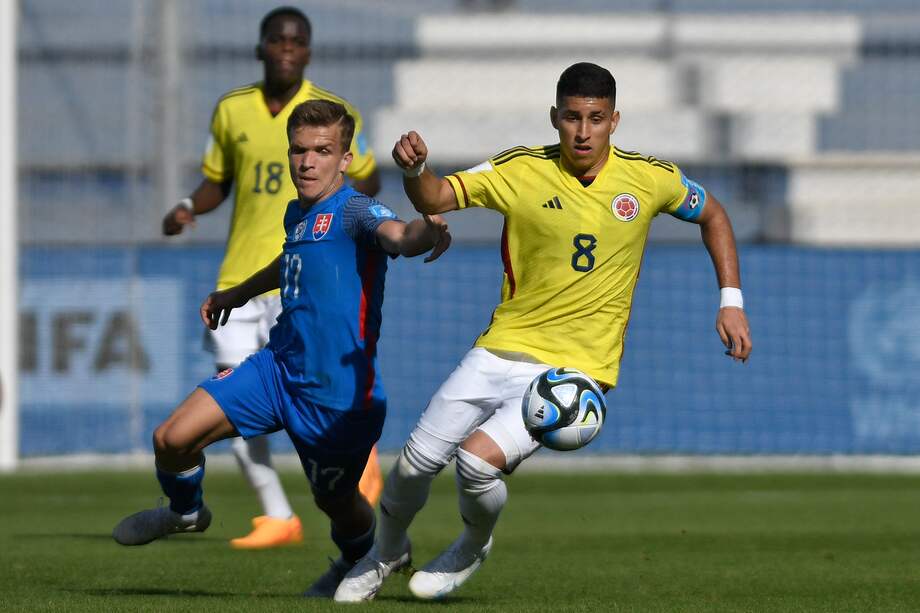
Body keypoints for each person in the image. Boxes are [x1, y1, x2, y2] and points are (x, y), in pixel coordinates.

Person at [333, 62, 753, 602]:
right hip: (502, 346)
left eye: (596, 119)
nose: (583, 131)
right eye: (572, 118)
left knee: (475, 463)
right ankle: (385, 551)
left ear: (614, 120)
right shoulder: (520, 169)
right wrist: (416, 171)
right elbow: (436, 198)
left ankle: (471, 543)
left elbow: (714, 214)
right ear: (555, 117)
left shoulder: (651, 179)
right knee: (414, 465)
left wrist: (731, 301)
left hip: (576, 368)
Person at [114, 99, 451, 599]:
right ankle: (185, 512)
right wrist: (237, 293)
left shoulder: (356, 209)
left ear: (344, 159)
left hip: (336, 396)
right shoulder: (298, 211)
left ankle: (370, 554)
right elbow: (294, 257)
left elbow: (401, 236)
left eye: (322, 151)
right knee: (171, 439)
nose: (307, 161)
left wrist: (430, 223)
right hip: (277, 369)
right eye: (299, 150)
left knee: (336, 502)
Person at [161, 6, 383, 550]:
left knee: (317, 424)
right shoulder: (233, 110)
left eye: (297, 41)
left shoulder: (332, 113)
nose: (286, 48)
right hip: (245, 272)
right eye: (277, 40)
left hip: (305, 286)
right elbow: (219, 181)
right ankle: (276, 514)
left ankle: (353, 475)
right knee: (228, 394)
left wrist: (358, 202)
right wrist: (191, 204)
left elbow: (371, 188)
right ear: (260, 48)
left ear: (308, 50)